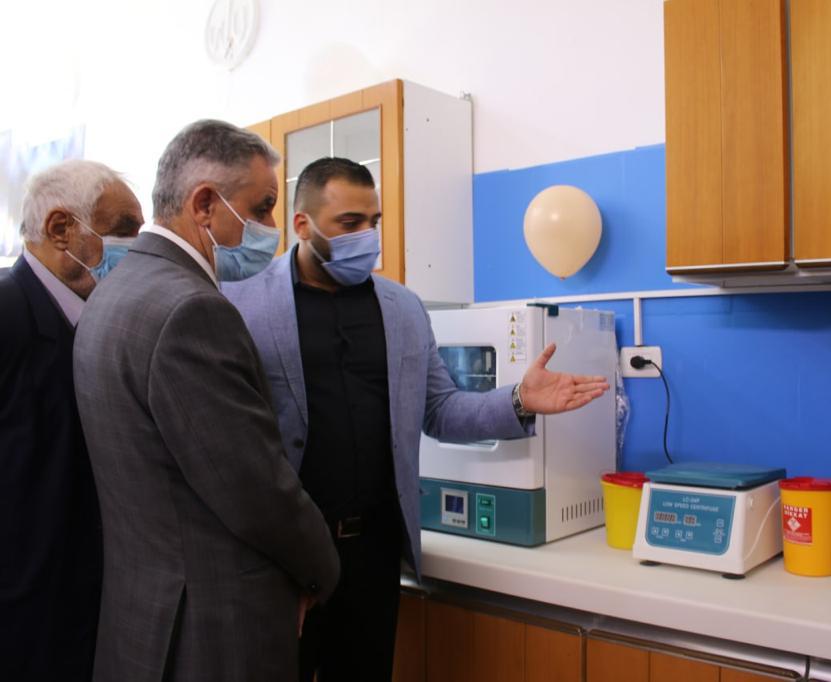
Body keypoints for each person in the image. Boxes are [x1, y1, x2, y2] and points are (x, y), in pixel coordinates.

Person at [223, 157, 609, 681]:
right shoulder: (240, 304)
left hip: (375, 551)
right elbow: (232, 446)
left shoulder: (402, 308)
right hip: (284, 557)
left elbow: (440, 409)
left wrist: (519, 399)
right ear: (302, 225)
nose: (367, 236)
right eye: (349, 223)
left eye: (374, 222)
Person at [72, 120, 340, 682]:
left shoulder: (111, 292)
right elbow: (254, 488)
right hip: (211, 627)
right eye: (262, 208)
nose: (272, 229)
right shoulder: (191, 311)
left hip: (142, 614)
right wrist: (320, 570)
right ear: (204, 205)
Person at [0, 159, 143, 682]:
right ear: (61, 228)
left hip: (90, 607)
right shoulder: (9, 315)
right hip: (23, 617)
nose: (136, 247)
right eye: (124, 229)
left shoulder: (101, 323)